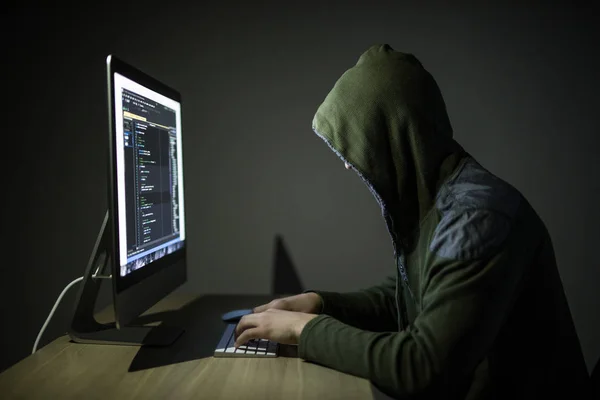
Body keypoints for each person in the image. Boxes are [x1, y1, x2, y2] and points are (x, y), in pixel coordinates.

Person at [234, 44, 591, 399]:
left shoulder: (476, 219)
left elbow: (421, 368)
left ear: (396, 136)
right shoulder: (438, 203)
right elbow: (404, 301)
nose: (348, 165)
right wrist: (319, 303)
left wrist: (304, 330)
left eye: (358, 145)